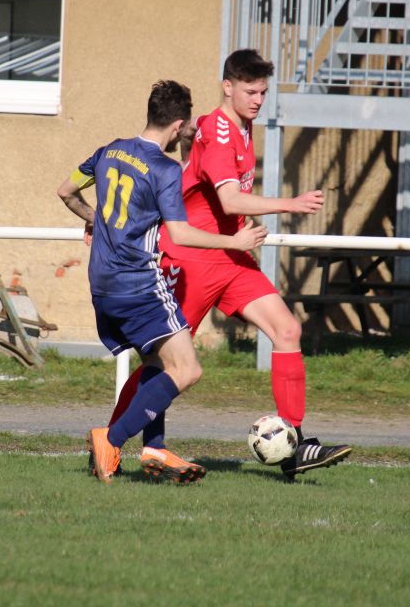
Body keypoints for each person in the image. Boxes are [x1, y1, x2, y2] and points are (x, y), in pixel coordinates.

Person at [104, 49, 351, 479]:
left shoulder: (234, 125)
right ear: (227, 87)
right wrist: (291, 203)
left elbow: (193, 156)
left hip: (231, 257)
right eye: (250, 91)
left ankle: (293, 446)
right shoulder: (219, 134)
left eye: (263, 92)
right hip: (193, 259)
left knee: (287, 330)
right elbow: (230, 199)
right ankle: (108, 443)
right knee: (163, 364)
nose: (258, 100)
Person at [58, 79, 266, 484]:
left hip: (102, 284)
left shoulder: (109, 151)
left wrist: (97, 221)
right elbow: (181, 233)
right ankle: (110, 439)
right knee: (187, 369)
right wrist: (235, 241)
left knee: (157, 363)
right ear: (178, 126)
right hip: (138, 284)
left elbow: (65, 191)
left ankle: (155, 448)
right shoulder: (165, 169)